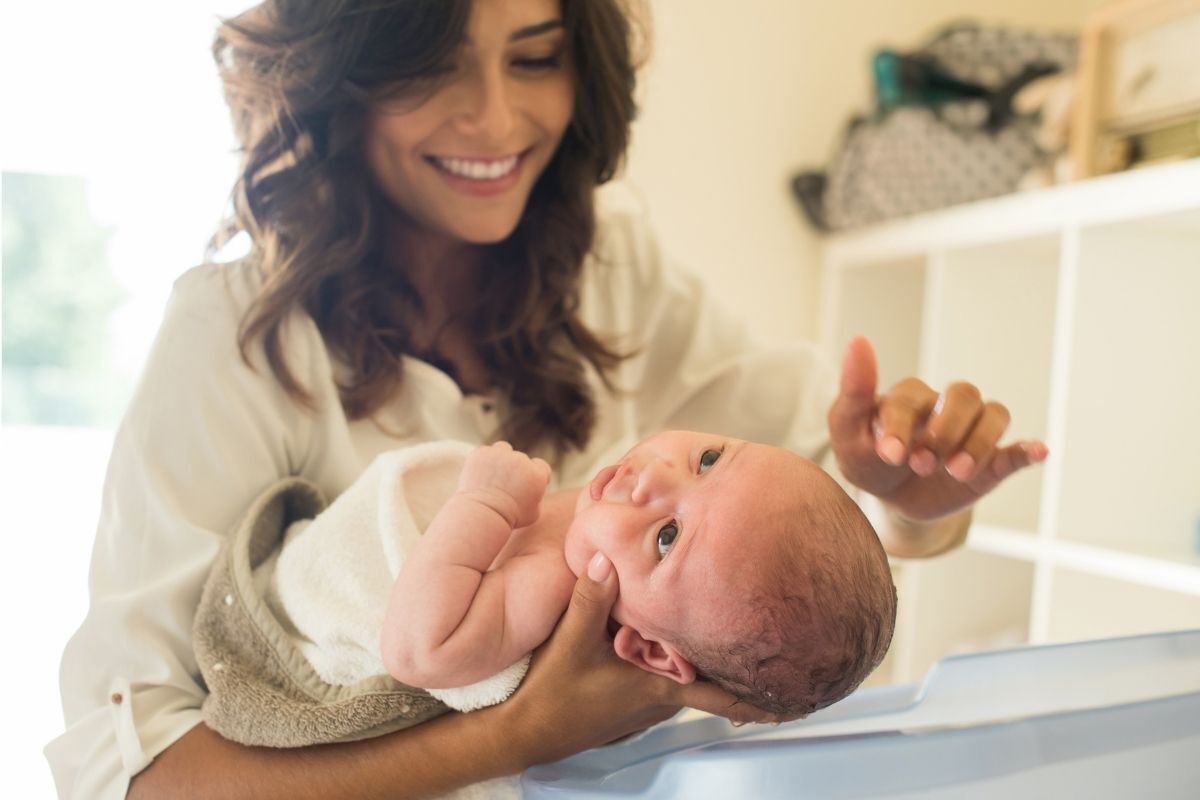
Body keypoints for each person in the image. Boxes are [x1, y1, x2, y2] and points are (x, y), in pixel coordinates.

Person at [46, 1, 1047, 798]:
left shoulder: (615, 274)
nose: (496, 117)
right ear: (341, 76)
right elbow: (138, 775)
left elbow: (795, 565)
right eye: (433, 63)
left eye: (535, 55)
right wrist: (519, 732)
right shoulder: (238, 335)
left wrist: (904, 503)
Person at [202, 429, 892, 746]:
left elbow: (419, 650)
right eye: (708, 458)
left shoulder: (551, 584)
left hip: (296, 623)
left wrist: (483, 509)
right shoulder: (609, 519)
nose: (654, 478)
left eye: (667, 537)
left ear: (651, 651)